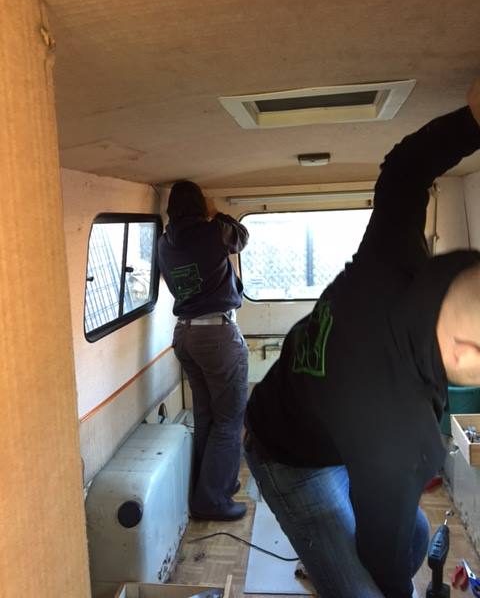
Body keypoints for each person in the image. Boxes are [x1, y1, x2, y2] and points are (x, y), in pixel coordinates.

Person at [244, 80, 480, 598]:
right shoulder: (401, 433)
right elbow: (382, 555)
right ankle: (323, 567)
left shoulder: (399, 257)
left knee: (414, 536)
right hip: (288, 455)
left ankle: (326, 563)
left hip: (335, 426)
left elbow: (404, 169)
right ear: (464, 351)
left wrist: (472, 121)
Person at [157, 180, 249, 521]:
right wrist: (217, 213)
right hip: (217, 336)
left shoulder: (163, 243)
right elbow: (242, 237)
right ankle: (212, 501)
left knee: (207, 415)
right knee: (229, 420)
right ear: (200, 206)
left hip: (185, 334)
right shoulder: (213, 232)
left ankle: (209, 486)